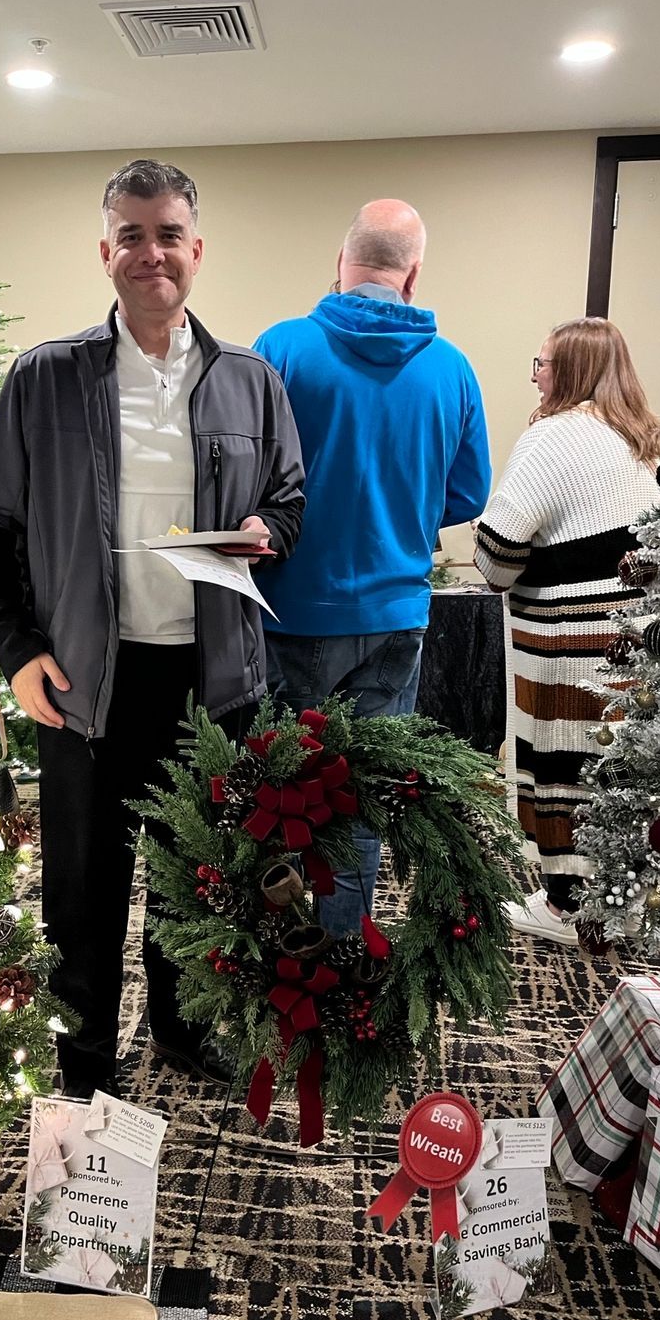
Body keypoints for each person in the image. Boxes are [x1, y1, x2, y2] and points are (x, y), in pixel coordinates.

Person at [0, 158, 304, 1098]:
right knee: (82, 890)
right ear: (105, 250)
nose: (149, 253)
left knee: (190, 877)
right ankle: (82, 1062)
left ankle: (179, 1029)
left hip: (210, 682)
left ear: (196, 251)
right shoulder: (44, 379)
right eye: (131, 234)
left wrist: (264, 531)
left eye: (168, 235)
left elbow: (288, 501)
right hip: (84, 681)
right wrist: (18, 653)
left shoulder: (250, 380)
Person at [252, 199, 490, 935]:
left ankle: (269, 954)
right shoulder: (452, 369)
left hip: (292, 611)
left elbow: (241, 474)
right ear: (411, 275)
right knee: (357, 793)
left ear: (339, 263)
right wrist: (399, 509)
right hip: (395, 618)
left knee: (277, 791)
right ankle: (341, 947)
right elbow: (466, 493)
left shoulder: (281, 348)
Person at [473, 317, 660, 944]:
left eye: (543, 363)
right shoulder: (651, 441)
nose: (537, 376)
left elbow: (497, 552)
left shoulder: (554, 438)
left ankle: (565, 908)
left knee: (562, 767)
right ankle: (624, 901)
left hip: (566, 641)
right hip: (639, 639)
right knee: (618, 772)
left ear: (569, 372)